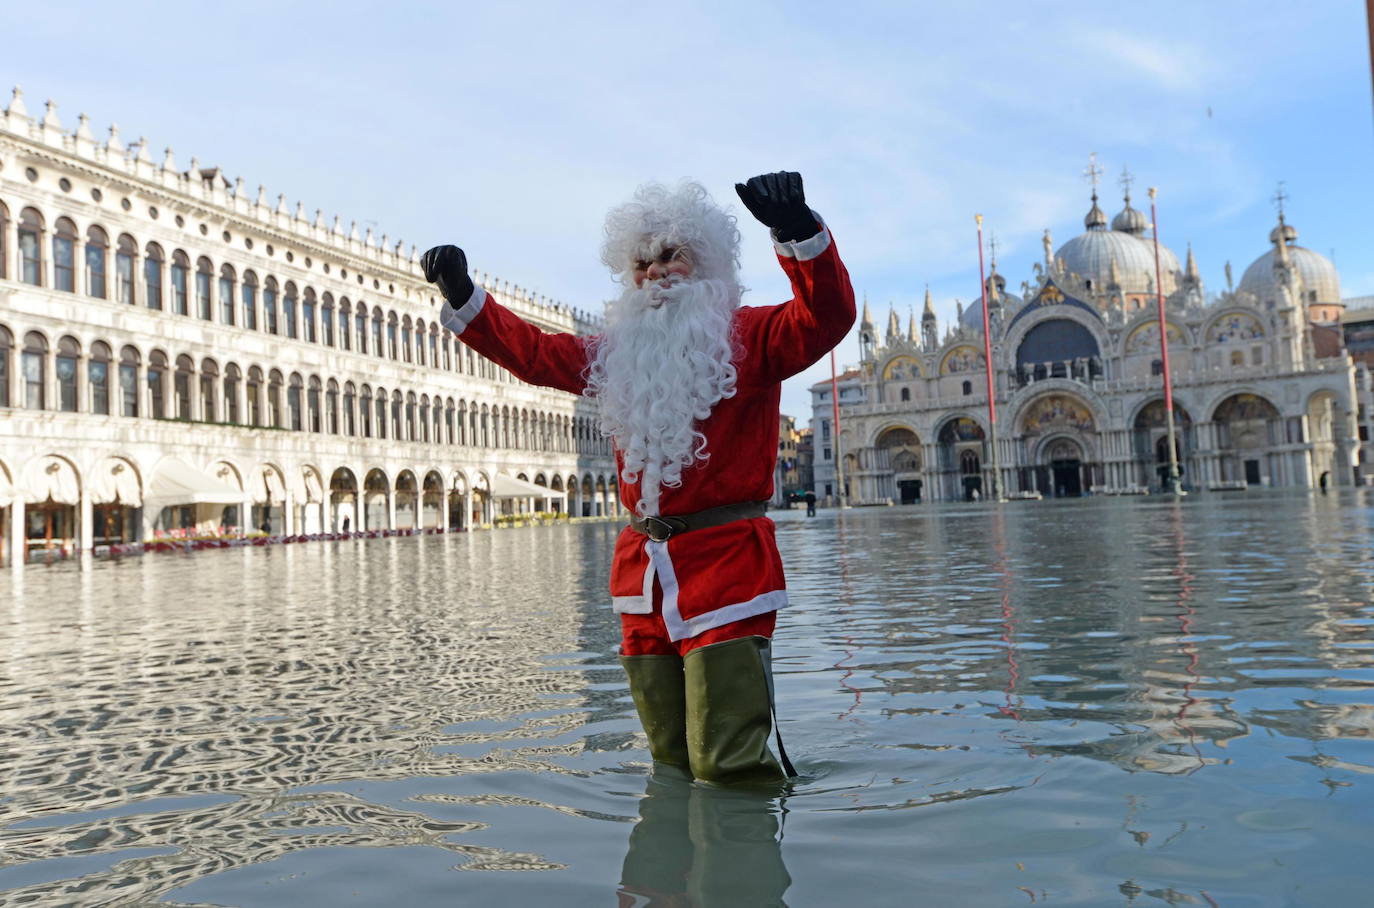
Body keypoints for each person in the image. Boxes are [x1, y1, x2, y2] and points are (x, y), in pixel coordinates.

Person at [422, 172, 854, 785]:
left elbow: (827, 317)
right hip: (642, 579)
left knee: (729, 763)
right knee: (669, 760)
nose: (654, 273)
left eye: (670, 256)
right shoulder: (615, 353)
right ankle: (667, 881)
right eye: (641, 263)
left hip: (728, 571)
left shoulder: (752, 336)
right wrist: (466, 295)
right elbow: (536, 355)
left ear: (702, 263)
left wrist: (797, 231)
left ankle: (737, 874)